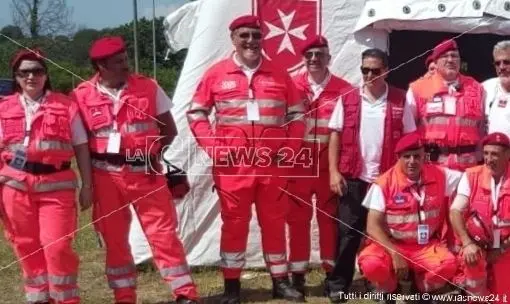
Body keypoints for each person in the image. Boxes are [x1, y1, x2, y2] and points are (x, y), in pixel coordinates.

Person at [186, 15, 306, 303]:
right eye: (244, 35)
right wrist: (215, 149)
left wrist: (289, 149)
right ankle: (232, 287)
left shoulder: (279, 73)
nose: (251, 41)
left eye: (255, 35)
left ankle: (280, 281)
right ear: (233, 39)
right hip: (232, 169)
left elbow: (298, 115)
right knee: (234, 225)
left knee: (275, 223)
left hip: (272, 166)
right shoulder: (216, 73)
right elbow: (196, 113)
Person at [70, 36, 199, 304]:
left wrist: (153, 154)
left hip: (146, 173)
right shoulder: (81, 95)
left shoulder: (148, 87)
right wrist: (88, 185)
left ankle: (185, 294)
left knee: (163, 235)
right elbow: (80, 143)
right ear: (101, 66)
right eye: (118, 62)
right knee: (115, 239)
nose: (126, 65)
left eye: (126, 59)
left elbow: (170, 130)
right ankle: (124, 296)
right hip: (105, 176)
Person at [0, 48, 93, 303]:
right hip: (15, 187)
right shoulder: (3, 107)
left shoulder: (65, 105)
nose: (31, 76)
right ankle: (39, 297)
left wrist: (87, 185)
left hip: (56, 186)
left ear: (46, 74)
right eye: (24, 72)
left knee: (58, 246)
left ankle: (65, 298)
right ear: (16, 77)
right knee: (25, 245)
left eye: (37, 71)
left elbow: (81, 146)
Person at [327, 48, 417, 303]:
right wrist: (333, 172)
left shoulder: (400, 99)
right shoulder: (347, 98)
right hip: (354, 177)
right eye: (364, 70)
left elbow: (410, 139)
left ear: (386, 71)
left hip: (387, 181)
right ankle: (338, 284)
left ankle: (385, 286)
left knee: (387, 233)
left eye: (375, 70)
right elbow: (334, 134)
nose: (369, 75)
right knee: (348, 234)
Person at [286, 35, 353, 296]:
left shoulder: (345, 89)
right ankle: (298, 275)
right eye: (309, 55)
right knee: (297, 221)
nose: (314, 59)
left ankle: (331, 274)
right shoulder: (291, 86)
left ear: (329, 57)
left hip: (328, 167)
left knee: (329, 222)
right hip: (299, 167)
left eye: (319, 54)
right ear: (303, 59)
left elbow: (348, 133)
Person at [358, 132, 460, 299]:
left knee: (448, 265)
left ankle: (420, 288)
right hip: (391, 244)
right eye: (407, 157)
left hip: (425, 246)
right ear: (398, 157)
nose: (412, 161)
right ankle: (390, 288)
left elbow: (470, 180)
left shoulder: (440, 175)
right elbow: (372, 226)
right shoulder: (384, 183)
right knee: (371, 264)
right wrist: (394, 253)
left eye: (417, 156)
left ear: (424, 156)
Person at [406, 39, 485, 172]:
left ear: (460, 61)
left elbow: (482, 128)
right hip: (433, 166)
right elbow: (409, 131)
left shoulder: (476, 88)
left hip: (468, 168)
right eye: (445, 56)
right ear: (435, 62)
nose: (450, 60)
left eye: (454, 56)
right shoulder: (418, 88)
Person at [449, 132, 510, 301]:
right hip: (476, 246)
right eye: (486, 153)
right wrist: (467, 243)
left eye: (495, 154)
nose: (489, 159)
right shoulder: (471, 176)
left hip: (506, 247)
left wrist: (502, 249)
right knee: (473, 262)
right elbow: (455, 211)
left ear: (508, 155)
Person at [484, 41, 510, 138]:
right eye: (497, 63)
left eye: (507, 62)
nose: (501, 67)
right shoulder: (485, 87)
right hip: (490, 151)